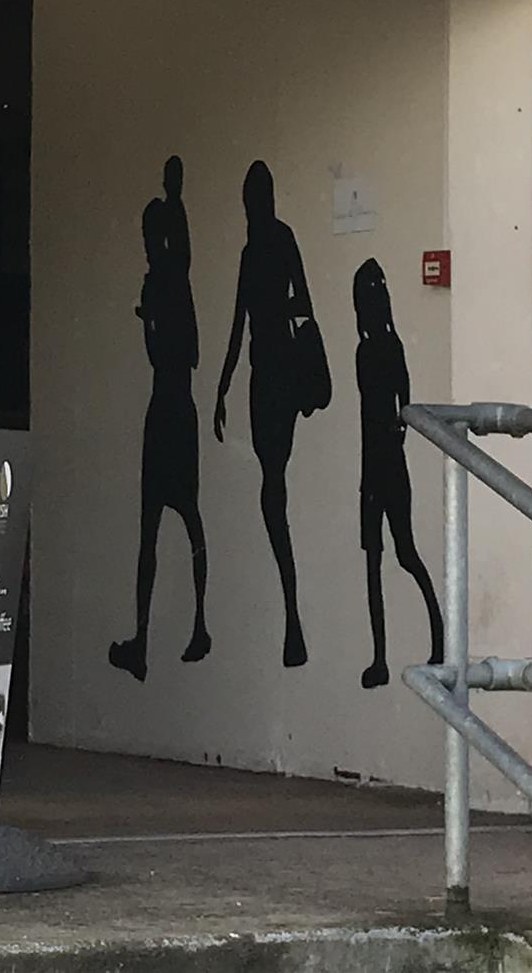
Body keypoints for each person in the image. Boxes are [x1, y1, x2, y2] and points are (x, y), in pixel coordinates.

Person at [214, 160, 319, 668]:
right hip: (266, 376)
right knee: (271, 483)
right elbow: (240, 322)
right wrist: (221, 387)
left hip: (274, 376)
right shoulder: (261, 246)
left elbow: (298, 306)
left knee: (272, 482)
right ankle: (292, 616)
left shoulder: (269, 243)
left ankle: (293, 615)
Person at [109, 160, 210, 682]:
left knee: (153, 526)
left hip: (164, 408)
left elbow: (157, 349)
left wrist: (148, 321)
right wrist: (175, 194)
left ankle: (145, 639)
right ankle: (196, 624)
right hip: (184, 408)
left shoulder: (159, 284)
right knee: (188, 517)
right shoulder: (182, 281)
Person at [352, 258, 444, 688]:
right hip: (375, 464)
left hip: (385, 463)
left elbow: (402, 403)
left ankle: (438, 640)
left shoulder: (385, 348)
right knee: (374, 561)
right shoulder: (371, 349)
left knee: (402, 554)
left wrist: (396, 432)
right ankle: (379, 657)